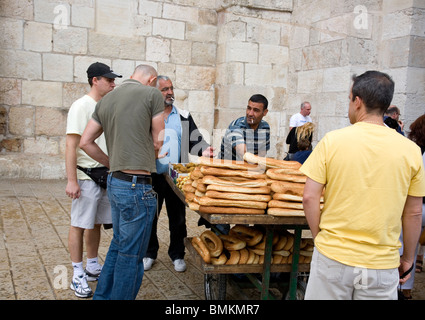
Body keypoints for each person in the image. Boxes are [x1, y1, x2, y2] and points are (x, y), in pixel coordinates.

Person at [301, 70, 425, 300]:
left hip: (333, 257)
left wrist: (320, 238)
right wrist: (408, 257)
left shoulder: (332, 141)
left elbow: (309, 197)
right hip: (381, 264)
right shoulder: (411, 151)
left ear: (357, 102)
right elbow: (414, 212)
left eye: (349, 99)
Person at [79, 64, 165, 300]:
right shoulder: (152, 94)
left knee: (119, 245)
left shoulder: (106, 99)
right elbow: (159, 141)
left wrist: (112, 161)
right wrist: (154, 157)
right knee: (131, 254)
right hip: (137, 185)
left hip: (115, 181)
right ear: (152, 80)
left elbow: (85, 142)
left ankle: (103, 297)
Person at [143, 75, 214, 272]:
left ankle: (177, 254)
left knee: (178, 218)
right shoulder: (147, 114)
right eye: (165, 89)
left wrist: (205, 149)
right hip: (152, 175)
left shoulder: (183, 115)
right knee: (150, 217)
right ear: (155, 93)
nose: (170, 92)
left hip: (177, 177)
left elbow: (195, 140)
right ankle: (149, 253)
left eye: (171, 88)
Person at [65, 62, 121, 298]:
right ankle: (77, 274)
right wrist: (72, 180)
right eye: (108, 80)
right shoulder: (81, 106)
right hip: (86, 175)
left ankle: (92, 265)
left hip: (104, 174)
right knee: (79, 224)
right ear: (95, 80)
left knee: (96, 223)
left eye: (113, 80)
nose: (113, 83)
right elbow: (71, 144)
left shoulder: (105, 105)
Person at [398, 114, 425, 299]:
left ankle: (404, 289)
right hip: (420, 206)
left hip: (416, 205)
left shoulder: (413, 150)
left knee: (407, 247)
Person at [218, 94, 270, 161]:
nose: (250, 113)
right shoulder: (236, 126)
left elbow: (261, 155)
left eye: (256, 110)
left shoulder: (265, 127)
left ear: (265, 112)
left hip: (248, 167)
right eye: (249, 108)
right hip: (225, 168)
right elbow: (244, 154)